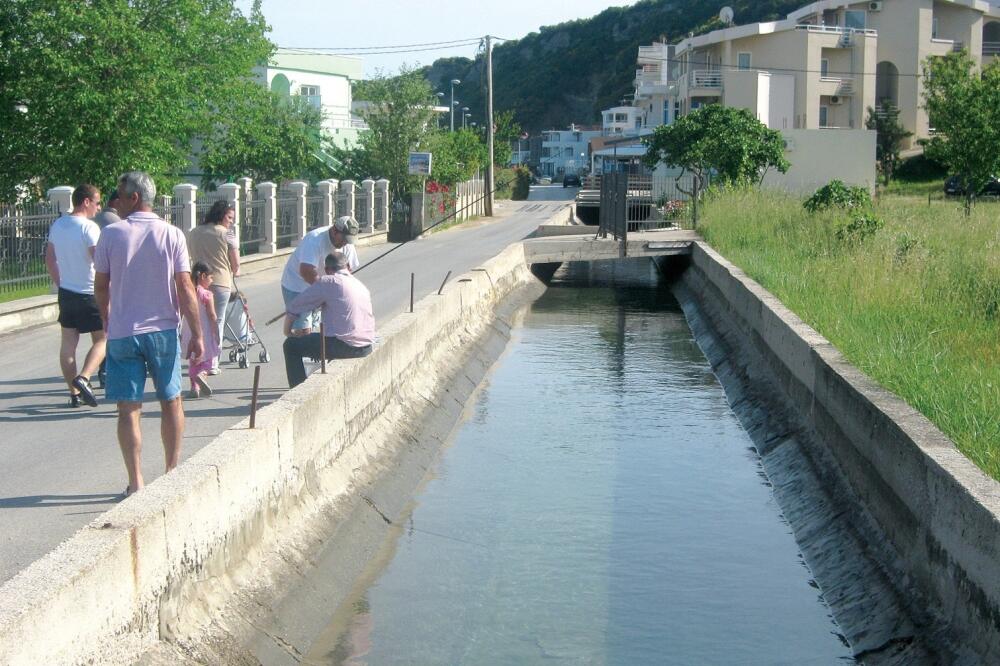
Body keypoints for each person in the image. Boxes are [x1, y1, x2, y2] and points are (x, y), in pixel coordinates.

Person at [94, 171, 203, 496]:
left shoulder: (111, 234)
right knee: (171, 400)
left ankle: (137, 482)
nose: (116, 200)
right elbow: (185, 286)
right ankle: (171, 471)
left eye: (120, 195)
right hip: (163, 330)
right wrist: (197, 333)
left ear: (134, 198)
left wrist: (106, 317)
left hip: (123, 332)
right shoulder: (172, 234)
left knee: (128, 408)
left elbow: (101, 285)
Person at [44, 184, 106, 407]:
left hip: (67, 292)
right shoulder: (89, 228)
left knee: (68, 342)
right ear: (86, 202)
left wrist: (61, 282)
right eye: (97, 202)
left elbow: (49, 258)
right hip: (89, 292)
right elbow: (99, 262)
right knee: (104, 338)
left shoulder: (59, 224)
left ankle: (74, 393)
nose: (99, 208)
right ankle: (85, 377)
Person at [282, 251, 374, 388]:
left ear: (326, 270)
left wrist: (288, 331)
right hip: (366, 346)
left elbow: (296, 306)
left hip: (345, 346)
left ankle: (297, 388)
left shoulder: (328, 281)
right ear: (348, 266)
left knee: (290, 346)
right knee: (324, 336)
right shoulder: (360, 285)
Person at [280, 216, 360, 336]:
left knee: (316, 326)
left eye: (349, 240)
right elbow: (306, 271)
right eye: (344, 239)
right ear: (334, 231)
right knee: (303, 331)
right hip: (297, 285)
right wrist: (325, 292)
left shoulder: (347, 245)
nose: (345, 243)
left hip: (321, 285)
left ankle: (311, 346)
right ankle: (296, 344)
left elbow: (347, 272)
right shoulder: (314, 239)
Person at [187, 200, 239, 374]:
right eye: (229, 217)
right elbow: (236, 264)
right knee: (216, 321)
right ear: (221, 215)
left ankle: (197, 357)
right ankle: (213, 362)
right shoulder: (227, 234)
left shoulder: (194, 232)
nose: (231, 222)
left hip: (195, 282)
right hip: (220, 282)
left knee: (197, 321)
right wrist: (235, 270)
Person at [182, 262, 220, 399]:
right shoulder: (207, 295)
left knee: (194, 360)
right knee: (207, 359)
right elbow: (212, 315)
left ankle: (194, 388)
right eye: (210, 277)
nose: (212, 280)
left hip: (189, 330)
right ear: (203, 276)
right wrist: (216, 331)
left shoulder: (188, 292)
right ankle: (202, 375)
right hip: (204, 332)